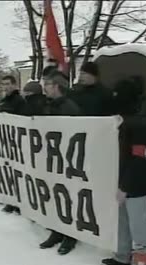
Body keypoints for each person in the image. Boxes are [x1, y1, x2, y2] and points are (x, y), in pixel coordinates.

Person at [102, 81, 146, 265]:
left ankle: (143, 262)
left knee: (138, 224)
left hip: (136, 183)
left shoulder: (140, 125)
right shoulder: (132, 121)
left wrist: (125, 186)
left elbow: (139, 160)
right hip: (128, 179)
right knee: (124, 219)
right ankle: (123, 256)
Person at [39, 70, 81, 255]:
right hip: (51, 158)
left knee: (67, 197)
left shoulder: (69, 106)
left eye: (47, 85)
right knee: (54, 195)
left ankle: (70, 236)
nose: (44, 88)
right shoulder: (49, 105)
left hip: (67, 160)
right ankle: (56, 231)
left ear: (56, 86)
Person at [0, 75, 26, 214]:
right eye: (3, 84)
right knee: (8, 173)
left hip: (16, 142)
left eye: (8, 84)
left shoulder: (19, 101)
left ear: (14, 85)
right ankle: (11, 200)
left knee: (17, 173)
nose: (5, 86)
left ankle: (20, 202)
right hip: (5, 142)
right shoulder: (3, 102)